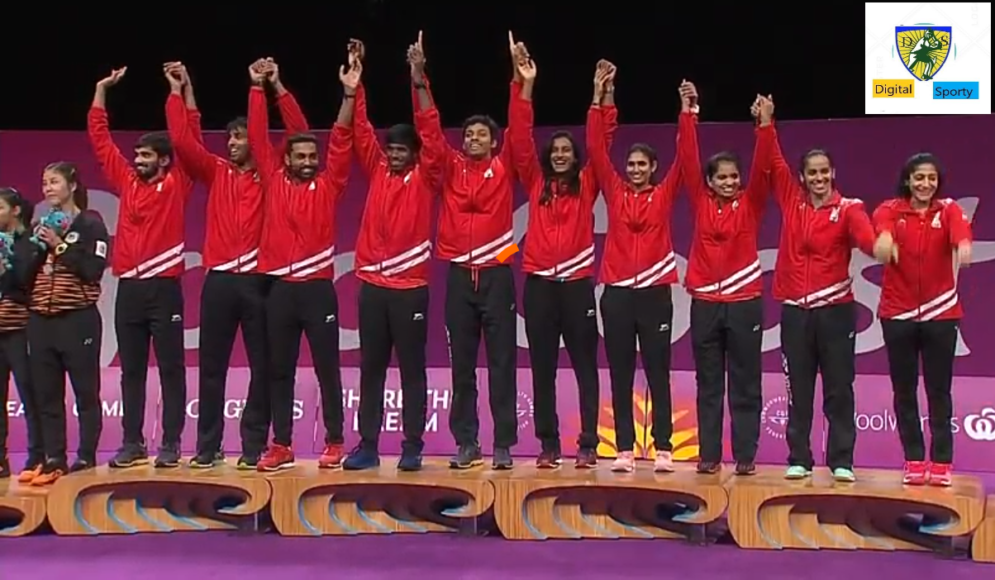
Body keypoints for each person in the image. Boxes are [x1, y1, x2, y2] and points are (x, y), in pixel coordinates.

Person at [163, 60, 309, 470]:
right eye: (228, 137)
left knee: (263, 367)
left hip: (259, 281)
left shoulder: (271, 171)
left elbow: (298, 130)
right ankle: (208, 445)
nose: (231, 143)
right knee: (212, 367)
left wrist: (268, 87)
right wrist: (178, 92)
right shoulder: (216, 171)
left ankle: (252, 445)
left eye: (239, 136)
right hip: (221, 281)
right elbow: (181, 140)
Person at [760, 96, 887, 482]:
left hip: (835, 312)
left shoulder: (849, 208)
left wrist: (877, 246)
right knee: (798, 389)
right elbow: (773, 161)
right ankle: (799, 457)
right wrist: (766, 122)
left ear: (833, 174)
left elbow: (865, 236)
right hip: (796, 312)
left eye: (824, 172)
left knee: (838, 388)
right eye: (811, 172)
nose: (818, 178)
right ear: (803, 177)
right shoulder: (791, 201)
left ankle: (842, 461)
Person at [507, 42, 617, 469]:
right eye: (554, 151)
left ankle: (588, 442)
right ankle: (548, 442)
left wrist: (600, 96)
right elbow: (518, 138)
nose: (559, 155)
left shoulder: (588, 183)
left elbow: (601, 143)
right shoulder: (535, 181)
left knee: (586, 366)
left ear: (574, 158)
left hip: (575, 287)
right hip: (538, 287)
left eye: (565, 152)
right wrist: (525, 86)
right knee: (542, 368)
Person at [342, 36, 445, 472]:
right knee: (371, 369)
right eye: (393, 149)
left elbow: (432, 131)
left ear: (417, 153)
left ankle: (412, 445)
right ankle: (367, 445)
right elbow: (359, 129)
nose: (395, 155)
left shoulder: (427, 176)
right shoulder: (379, 168)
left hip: (409, 290)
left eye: (404, 150)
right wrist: (355, 82)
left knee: (412, 370)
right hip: (373, 288)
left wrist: (417, 79)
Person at [252, 55, 357, 472]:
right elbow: (260, 136)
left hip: (316, 289)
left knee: (327, 369)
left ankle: (334, 440)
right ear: (287, 160)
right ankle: (281, 444)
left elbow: (344, 136)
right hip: (279, 289)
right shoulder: (273, 179)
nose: (309, 160)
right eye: (301, 155)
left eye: (314, 155)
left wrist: (349, 93)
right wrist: (260, 88)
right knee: (279, 370)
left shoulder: (330, 184)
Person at [88, 68, 192, 469]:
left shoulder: (178, 182)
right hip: (129, 289)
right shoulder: (128, 181)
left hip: (163, 288)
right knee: (131, 370)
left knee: (170, 368)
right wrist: (100, 91)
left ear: (164, 161)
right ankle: (133, 443)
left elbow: (185, 138)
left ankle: (170, 442)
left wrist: (176, 93)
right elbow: (101, 142)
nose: (138, 161)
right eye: (137, 156)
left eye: (146, 156)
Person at [432, 36, 520, 471]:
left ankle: (503, 443)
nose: (472, 139)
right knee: (462, 368)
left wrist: (520, 81)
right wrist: (419, 80)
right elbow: (428, 130)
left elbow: (520, 129)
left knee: (501, 363)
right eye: (467, 134)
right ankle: (466, 443)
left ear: (493, 140)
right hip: (457, 276)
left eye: (481, 134)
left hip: (496, 274)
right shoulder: (451, 168)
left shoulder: (503, 168)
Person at [586, 72, 682, 473]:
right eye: (631, 164)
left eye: (643, 164)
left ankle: (663, 447)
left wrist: (687, 113)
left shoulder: (664, 192)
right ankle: (624, 447)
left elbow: (687, 160)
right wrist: (600, 98)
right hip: (619, 294)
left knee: (658, 372)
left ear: (654, 167)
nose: (636, 168)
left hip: (656, 292)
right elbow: (594, 147)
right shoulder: (614, 188)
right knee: (621, 371)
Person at [676, 82, 770, 476]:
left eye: (735, 177)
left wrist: (764, 125)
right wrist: (688, 113)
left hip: (744, 302)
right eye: (723, 177)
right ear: (710, 181)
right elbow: (687, 159)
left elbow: (764, 166)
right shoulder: (700, 201)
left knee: (745, 383)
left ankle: (745, 456)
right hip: (706, 306)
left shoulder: (750, 204)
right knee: (709, 384)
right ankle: (710, 456)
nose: (731, 182)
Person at [872, 153, 972, 487]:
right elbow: (881, 230)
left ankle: (941, 461)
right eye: (918, 178)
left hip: (940, 313)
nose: (924, 184)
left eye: (930, 178)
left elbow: (961, 235)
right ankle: (914, 459)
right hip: (898, 315)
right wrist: (884, 241)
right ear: (907, 181)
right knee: (904, 390)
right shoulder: (889, 209)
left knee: (938, 390)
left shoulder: (950, 210)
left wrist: (964, 247)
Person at [23, 162, 108, 485]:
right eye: (44, 183)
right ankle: (54, 458)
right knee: (47, 395)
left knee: (86, 392)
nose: (47, 188)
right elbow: (24, 278)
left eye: (54, 182)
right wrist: (31, 251)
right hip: (40, 320)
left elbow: (92, 270)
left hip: (78, 320)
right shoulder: (38, 227)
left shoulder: (91, 224)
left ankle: (85, 456)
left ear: (72, 185)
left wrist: (59, 244)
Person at [0, 188, 38, 480]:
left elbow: (25, 285)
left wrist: (5, 268)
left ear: (15, 211)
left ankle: (37, 456)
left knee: (31, 394)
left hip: (22, 330)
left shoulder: (30, 244)